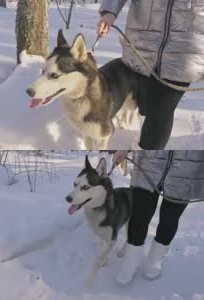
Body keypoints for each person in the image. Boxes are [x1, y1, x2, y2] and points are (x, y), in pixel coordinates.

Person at [97, 1, 204, 149]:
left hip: (186, 51)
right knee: (143, 106)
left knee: (160, 113)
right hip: (141, 44)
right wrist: (109, 12)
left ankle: (142, 148)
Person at [112, 150, 204, 285]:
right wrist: (125, 146)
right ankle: (131, 260)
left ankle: (155, 259)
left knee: (170, 218)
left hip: (188, 169)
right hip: (150, 161)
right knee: (138, 215)